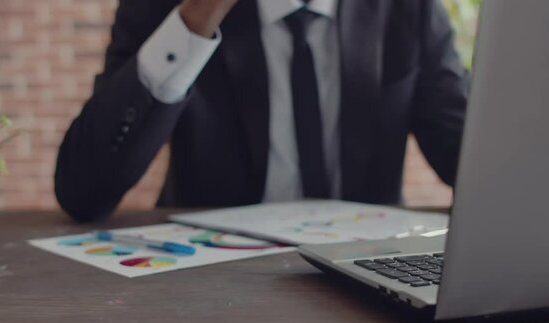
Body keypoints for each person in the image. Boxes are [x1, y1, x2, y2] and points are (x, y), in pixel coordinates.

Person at [55, 0, 468, 222]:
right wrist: (196, 18)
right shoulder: (166, 8)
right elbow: (83, 191)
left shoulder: (408, 9)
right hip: (211, 282)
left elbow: (469, 161)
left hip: (365, 278)